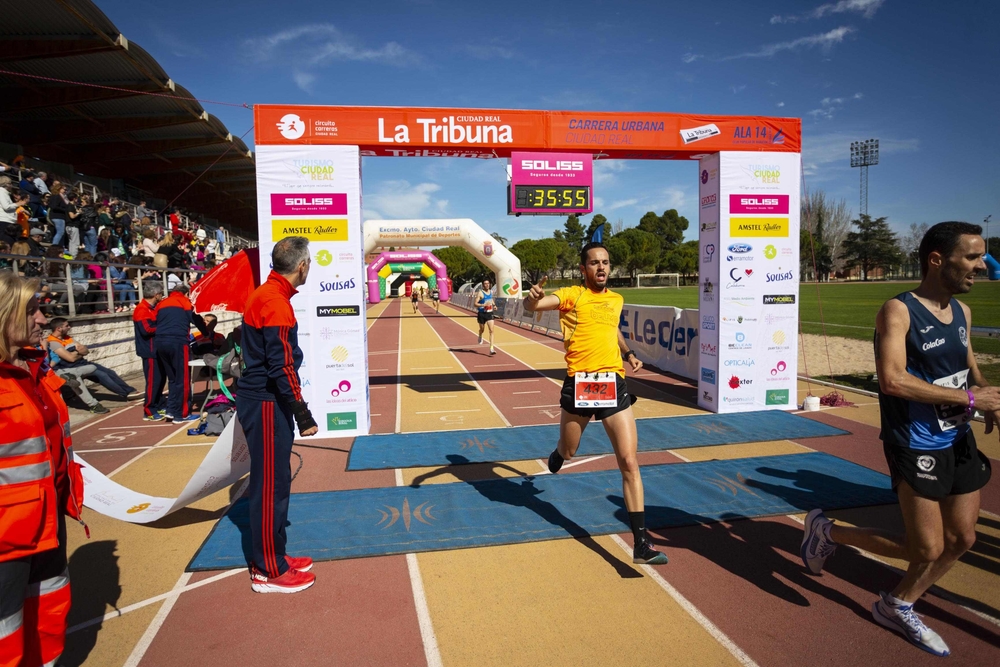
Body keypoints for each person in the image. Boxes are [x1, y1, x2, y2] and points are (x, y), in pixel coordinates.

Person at [801, 222, 998, 657]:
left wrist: (984, 392)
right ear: (936, 260)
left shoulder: (962, 312)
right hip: (915, 440)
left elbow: (965, 360)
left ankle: (897, 603)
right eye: (972, 257)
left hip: (957, 436)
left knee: (963, 539)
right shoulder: (899, 311)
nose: (982, 266)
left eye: (981, 257)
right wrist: (969, 395)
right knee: (923, 546)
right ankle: (829, 532)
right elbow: (892, 380)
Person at [523, 242, 669, 565]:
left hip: (614, 384)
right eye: (594, 263)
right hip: (581, 385)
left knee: (630, 461)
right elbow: (533, 307)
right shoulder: (573, 295)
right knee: (570, 450)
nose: (601, 267)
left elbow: (612, 328)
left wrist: (629, 354)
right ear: (583, 269)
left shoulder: (616, 300)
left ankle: (642, 543)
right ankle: (558, 452)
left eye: (605, 262)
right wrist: (531, 299)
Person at [0, 272, 86, 667]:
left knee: (49, 605)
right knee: (6, 627)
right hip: (8, 534)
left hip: (47, 518)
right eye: (32, 310)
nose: (41, 319)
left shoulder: (36, 371)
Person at [237, 236, 318, 593]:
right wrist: (303, 413)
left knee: (276, 482)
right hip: (267, 403)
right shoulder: (275, 302)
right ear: (301, 266)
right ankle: (268, 569)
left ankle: (276, 554)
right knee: (270, 487)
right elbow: (282, 367)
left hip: (265, 401)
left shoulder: (268, 295)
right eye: (310, 263)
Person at [47, 317, 137, 401]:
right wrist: (79, 352)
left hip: (83, 363)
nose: (69, 327)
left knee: (110, 372)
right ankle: (126, 394)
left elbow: (85, 351)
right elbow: (71, 359)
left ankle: (130, 391)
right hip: (73, 367)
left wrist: (77, 353)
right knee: (102, 375)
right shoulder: (53, 342)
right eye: (67, 326)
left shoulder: (68, 338)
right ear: (59, 328)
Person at [155, 284, 208, 422]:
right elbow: (196, 319)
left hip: (160, 342)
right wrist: (207, 333)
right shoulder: (185, 302)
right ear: (185, 294)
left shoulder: (162, 303)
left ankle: (171, 410)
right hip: (177, 342)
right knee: (183, 379)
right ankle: (182, 414)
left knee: (172, 379)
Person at [133, 284, 166, 421]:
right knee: (153, 381)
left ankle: (157, 404)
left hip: (156, 350)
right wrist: (163, 326)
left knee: (160, 380)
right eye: (161, 294)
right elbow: (146, 330)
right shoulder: (141, 310)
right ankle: (149, 410)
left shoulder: (152, 308)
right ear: (156, 295)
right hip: (149, 351)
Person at [475, 278, 497, 355]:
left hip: (489, 313)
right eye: (485, 284)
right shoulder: (480, 293)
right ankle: (480, 334)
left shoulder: (491, 292)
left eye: (488, 283)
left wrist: (494, 305)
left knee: (491, 330)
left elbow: (491, 300)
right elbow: (475, 304)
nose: (487, 285)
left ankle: (491, 348)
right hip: (481, 314)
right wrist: (483, 305)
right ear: (483, 285)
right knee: (482, 329)